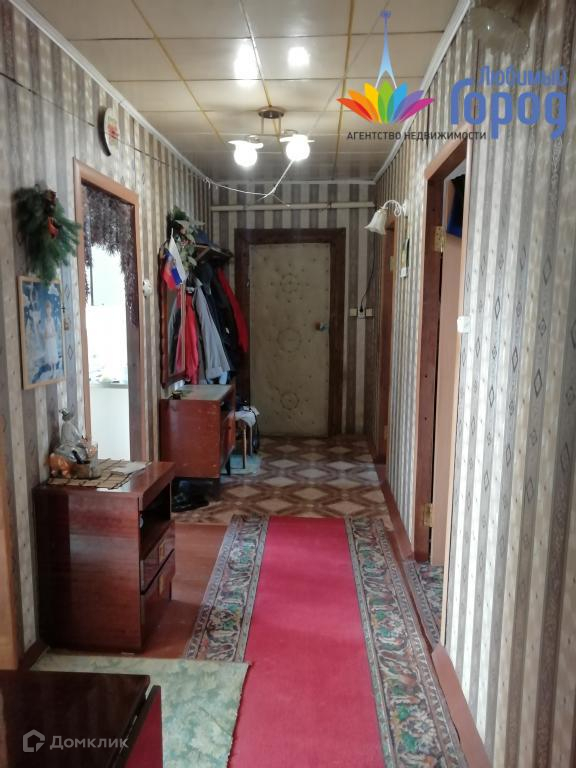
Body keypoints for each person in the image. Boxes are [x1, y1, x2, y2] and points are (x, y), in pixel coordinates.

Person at [43, 300, 59, 376]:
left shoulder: (52, 319)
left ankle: (54, 370)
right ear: (46, 311)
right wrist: (46, 335)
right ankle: (52, 370)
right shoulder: (45, 320)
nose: (48, 311)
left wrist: (52, 334)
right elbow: (45, 331)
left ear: (51, 310)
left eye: (49, 309)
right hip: (48, 340)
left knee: (53, 354)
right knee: (49, 355)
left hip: (52, 340)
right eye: (47, 309)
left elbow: (54, 330)